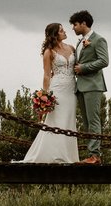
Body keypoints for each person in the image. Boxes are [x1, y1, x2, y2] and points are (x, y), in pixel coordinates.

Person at [16, 23, 80, 163]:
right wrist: (45, 96)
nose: (64, 32)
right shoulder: (49, 52)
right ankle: (53, 155)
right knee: (56, 120)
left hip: (71, 89)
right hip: (57, 88)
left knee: (68, 119)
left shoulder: (71, 48)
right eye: (61, 30)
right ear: (55, 34)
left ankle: (68, 156)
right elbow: (46, 75)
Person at [70, 10, 109, 164]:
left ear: (83, 23)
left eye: (75, 24)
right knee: (86, 123)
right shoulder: (80, 42)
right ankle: (91, 154)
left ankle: (95, 156)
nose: (73, 28)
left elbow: (104, 61)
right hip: (80, 86)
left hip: (93, 85)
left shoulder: (99, 39)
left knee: (93, 121)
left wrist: (84, 68)